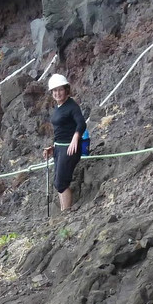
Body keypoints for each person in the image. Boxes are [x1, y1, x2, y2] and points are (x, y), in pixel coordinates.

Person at [43, 74, 87, 212]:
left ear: (66, 89)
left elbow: (81, 123)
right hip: (59, 148)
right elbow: (60, 130)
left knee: (62, 183)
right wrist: (53, 146)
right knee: (57, 183)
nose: (57, 93)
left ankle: (66, 213)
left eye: (60, 89)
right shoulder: (58, 107)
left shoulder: (72, 106)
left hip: (70, 148)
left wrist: (75, 138)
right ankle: (63, 212)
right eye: (54, 91)